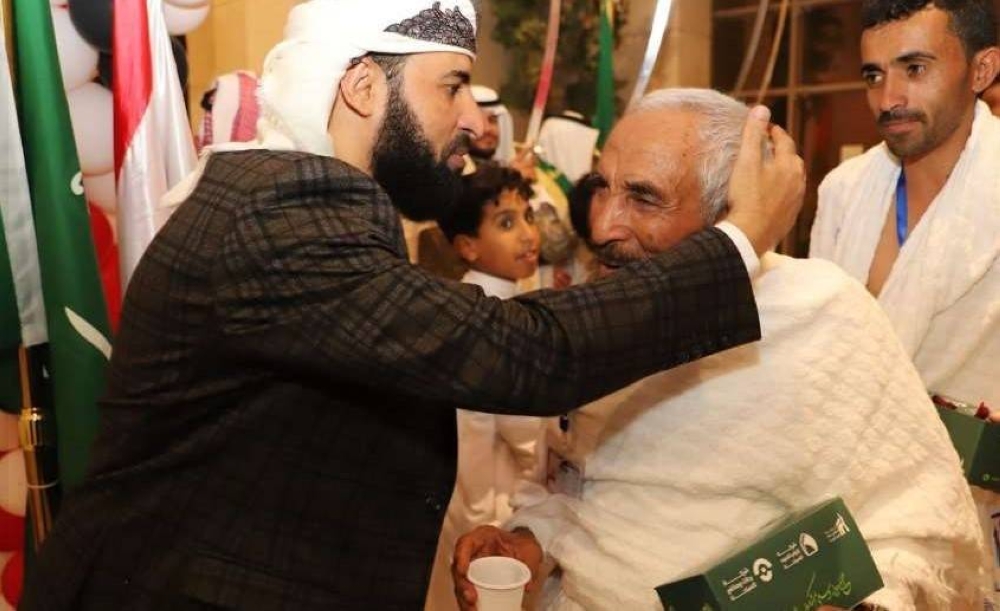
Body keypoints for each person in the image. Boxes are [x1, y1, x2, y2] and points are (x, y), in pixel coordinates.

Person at [21, 1, 805, 609]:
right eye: (452, 85)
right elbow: (525, 353)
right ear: (363, 86)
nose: (476, 122)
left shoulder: (298, 201)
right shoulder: (280, 212)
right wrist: (737, 241)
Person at [452, 89, 985, 611]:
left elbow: (920, 524)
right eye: (603, 188)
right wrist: (530, 539)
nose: (603, 225)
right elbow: (573, 486)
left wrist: (865, 604)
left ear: (731, 211)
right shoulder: (600, 316)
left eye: (642, 197)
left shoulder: (818, 314)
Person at [809, 0, 1000, 598]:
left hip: (979, 506)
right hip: (853, 502)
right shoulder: (843, 191)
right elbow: (817, 354)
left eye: (915, 69)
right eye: (874, 74)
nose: (888, 98)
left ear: (982, 69)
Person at [425, 163, 548, 610]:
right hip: (490, 504)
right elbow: (491, 431)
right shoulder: (491, 316)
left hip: (482, 501)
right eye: (506, 223)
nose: (528, 235)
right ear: (468, 246)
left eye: (528, 217)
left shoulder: (495, 300)